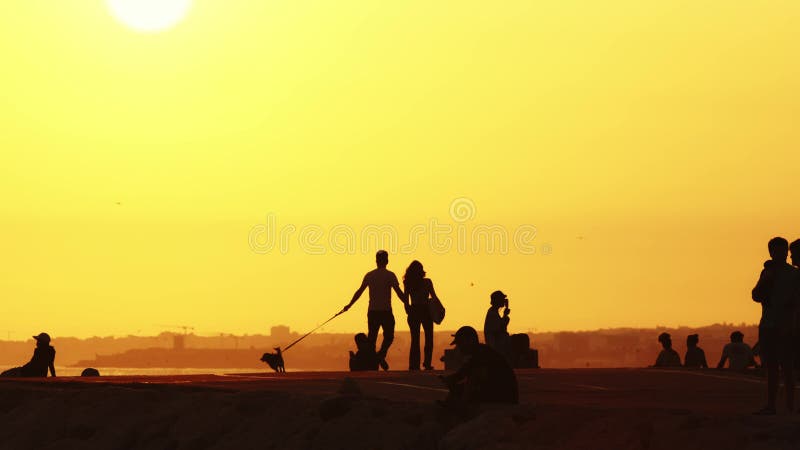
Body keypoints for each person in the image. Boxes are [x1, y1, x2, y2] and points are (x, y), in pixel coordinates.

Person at [752, 237, 799, 415]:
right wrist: (767, 280)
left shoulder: (794, 274)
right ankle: (772, 405)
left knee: (787, 367)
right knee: (771, 366)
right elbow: (755, 295)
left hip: (785, 326)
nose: (781, 254)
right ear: (771, 252)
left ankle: (789, 406)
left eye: (783, 251)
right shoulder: (767, 272)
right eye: (776, 251)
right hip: (768, 324)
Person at [342, 250, 407, 370]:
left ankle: (374, 361)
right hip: (386, 311)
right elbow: (398, 293)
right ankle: (380, 355)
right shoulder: (390, 275)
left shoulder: (370, 275)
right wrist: (408, 304)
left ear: (376, 261)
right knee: (389, 337)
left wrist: (349, 305)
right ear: (387, 261)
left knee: (372, 339)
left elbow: (359, 291)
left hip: (373, 312)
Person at [440, 326, 518, 407]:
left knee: (467, 385)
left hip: (503, 400)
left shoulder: (482, 355)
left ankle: (459, 408)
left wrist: (462, 397)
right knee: (460, 389)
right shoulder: (480, 353)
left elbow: (471, 376)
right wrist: (450, 380)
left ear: (469, 341)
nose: (459, 348)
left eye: (460, 344)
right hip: (503, 397)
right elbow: (463, 372)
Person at [403, 260, 439, 371]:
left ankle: (414, 365)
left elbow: (405, 299)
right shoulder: (427, 282)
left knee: (415, 339)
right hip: (425, 310)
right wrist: (440, 307)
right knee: (429, 338)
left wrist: (407, 309)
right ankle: (427, 363)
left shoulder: (407, 282)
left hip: (414, 310)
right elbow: (434, 296)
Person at [484, 290, 511, 362]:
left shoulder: (494, 312)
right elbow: (500, 329)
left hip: (498, 346)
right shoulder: (492, 314)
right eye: (502, 299)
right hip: (496, 347)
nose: (503, 301)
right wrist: (505, 315)